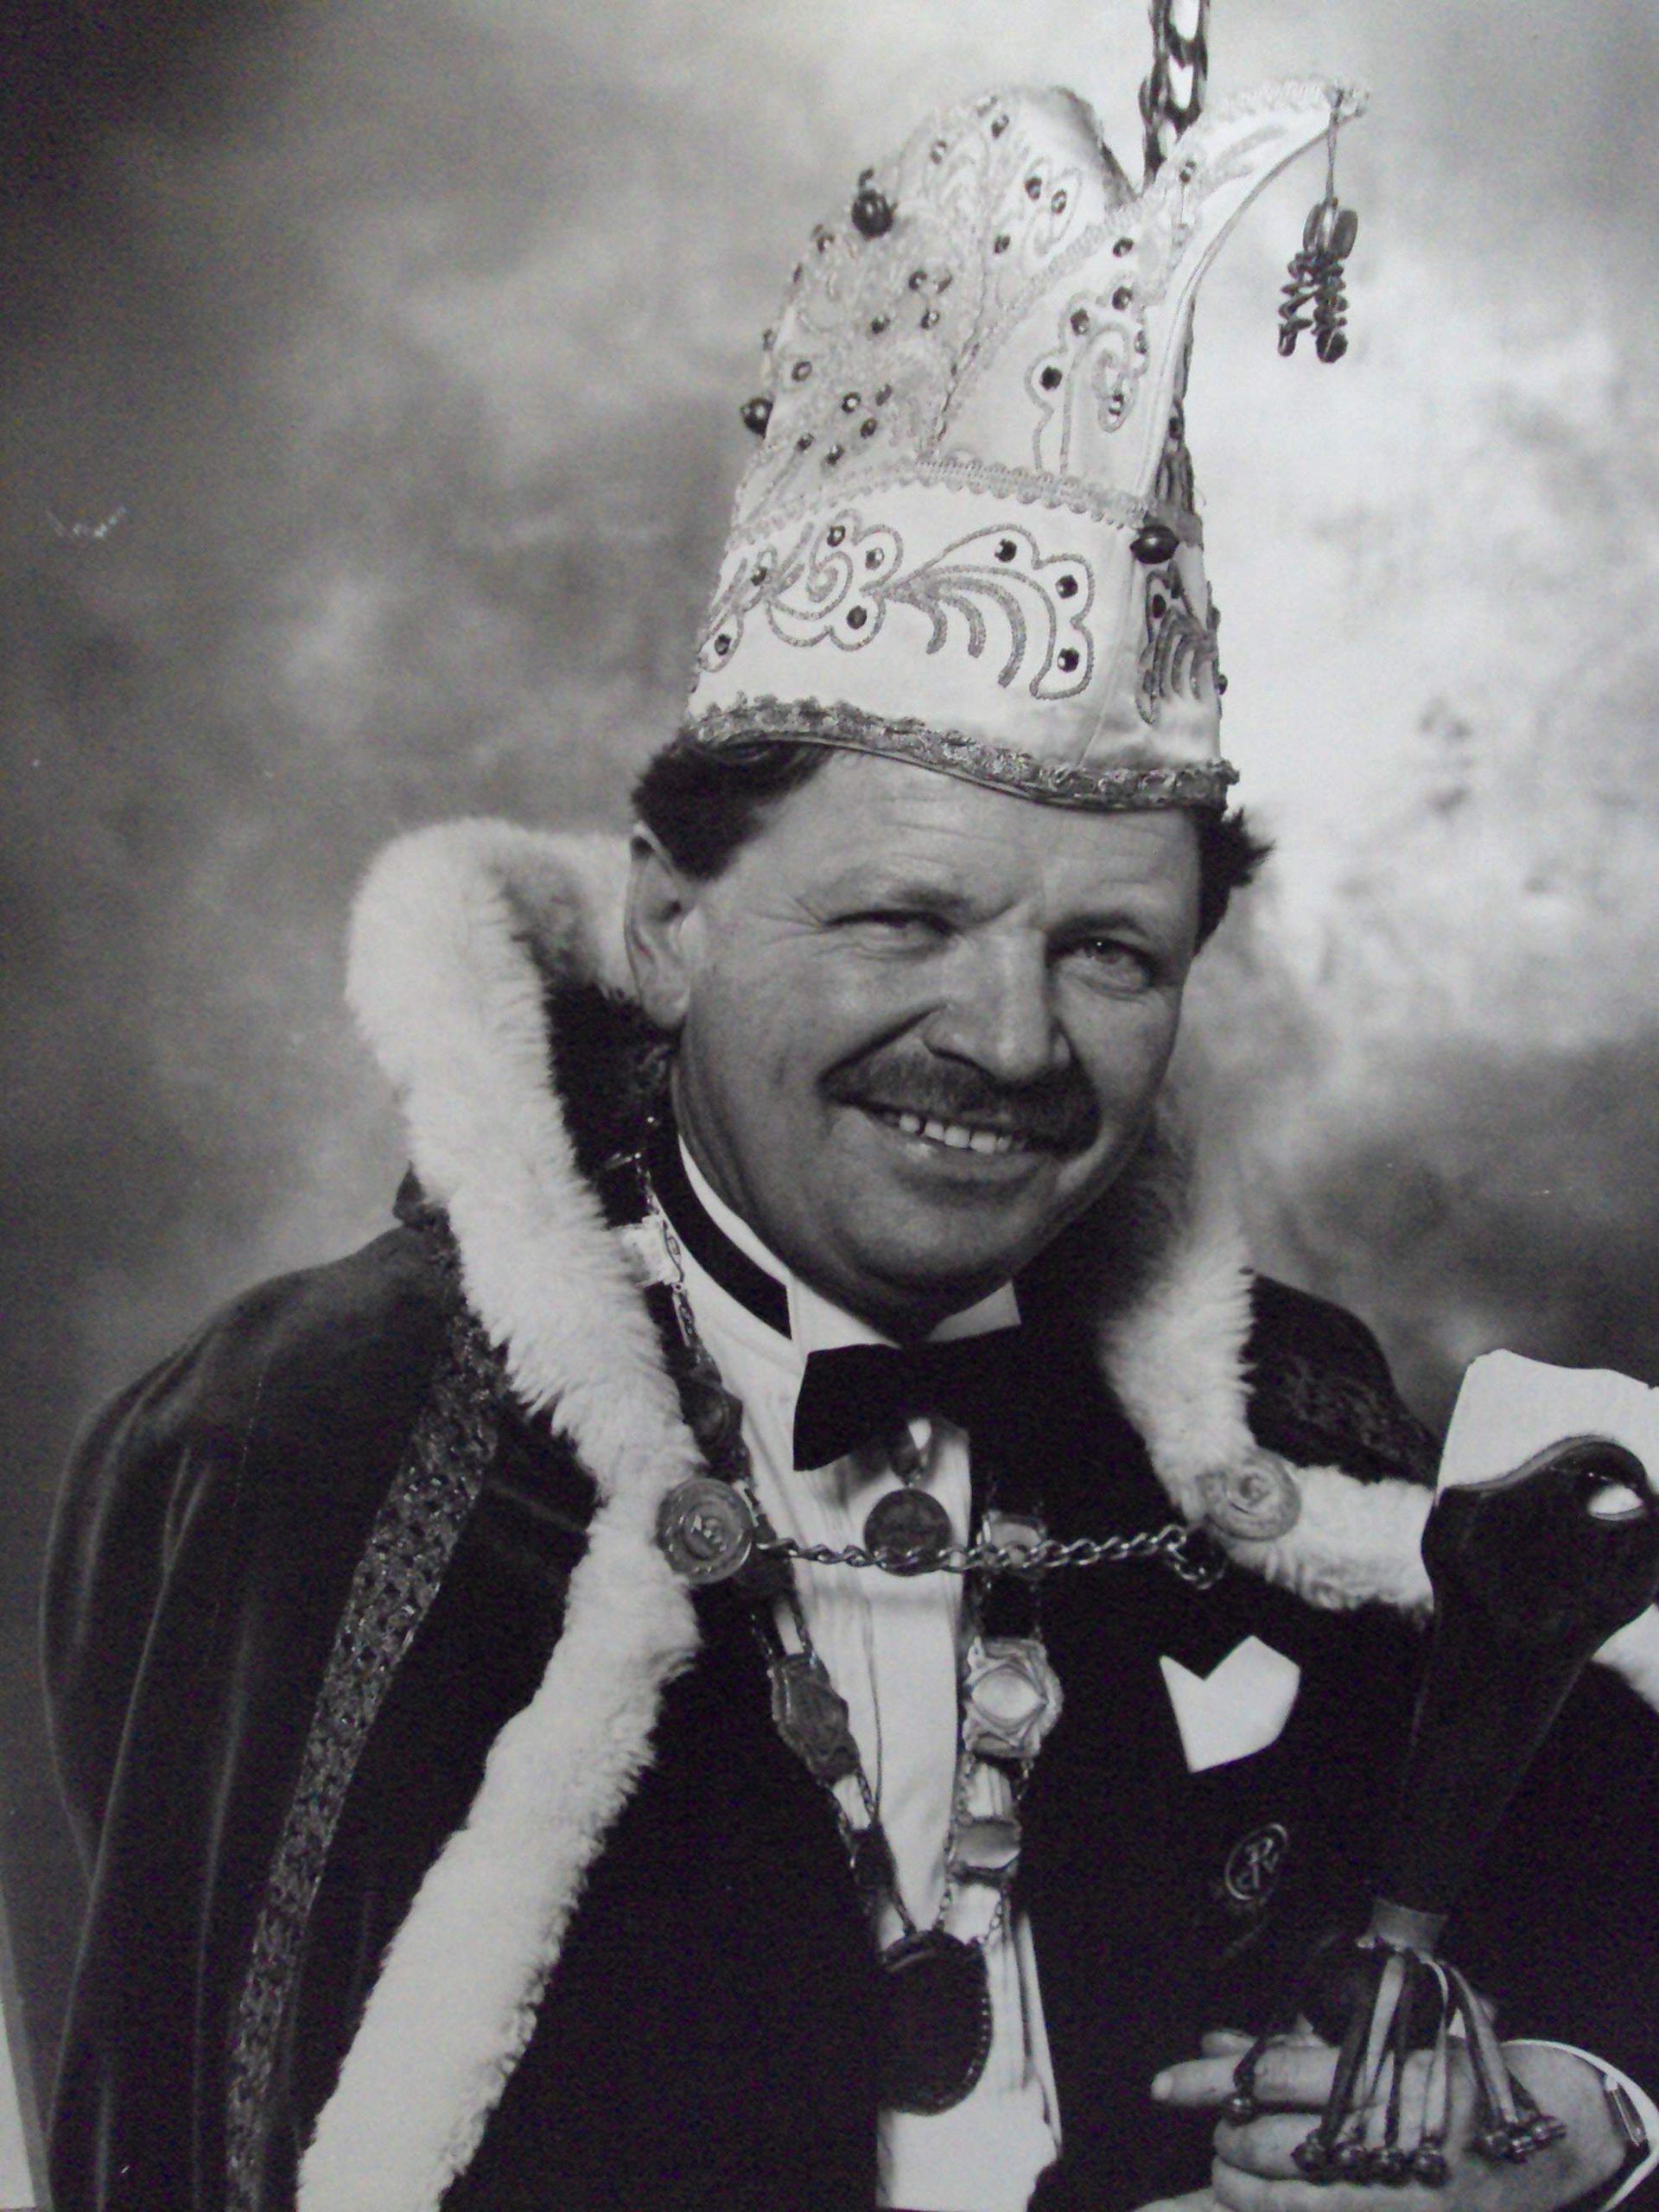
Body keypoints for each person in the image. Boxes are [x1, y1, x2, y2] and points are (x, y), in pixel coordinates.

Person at [41, 59, 1659, 2212]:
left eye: (1111, 951)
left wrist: (1575, 2118)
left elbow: (1579, 1926)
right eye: (905, 916)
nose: (1008, 1037)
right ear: (671, 918)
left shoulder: (1294, 1414)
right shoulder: (308, 1450)